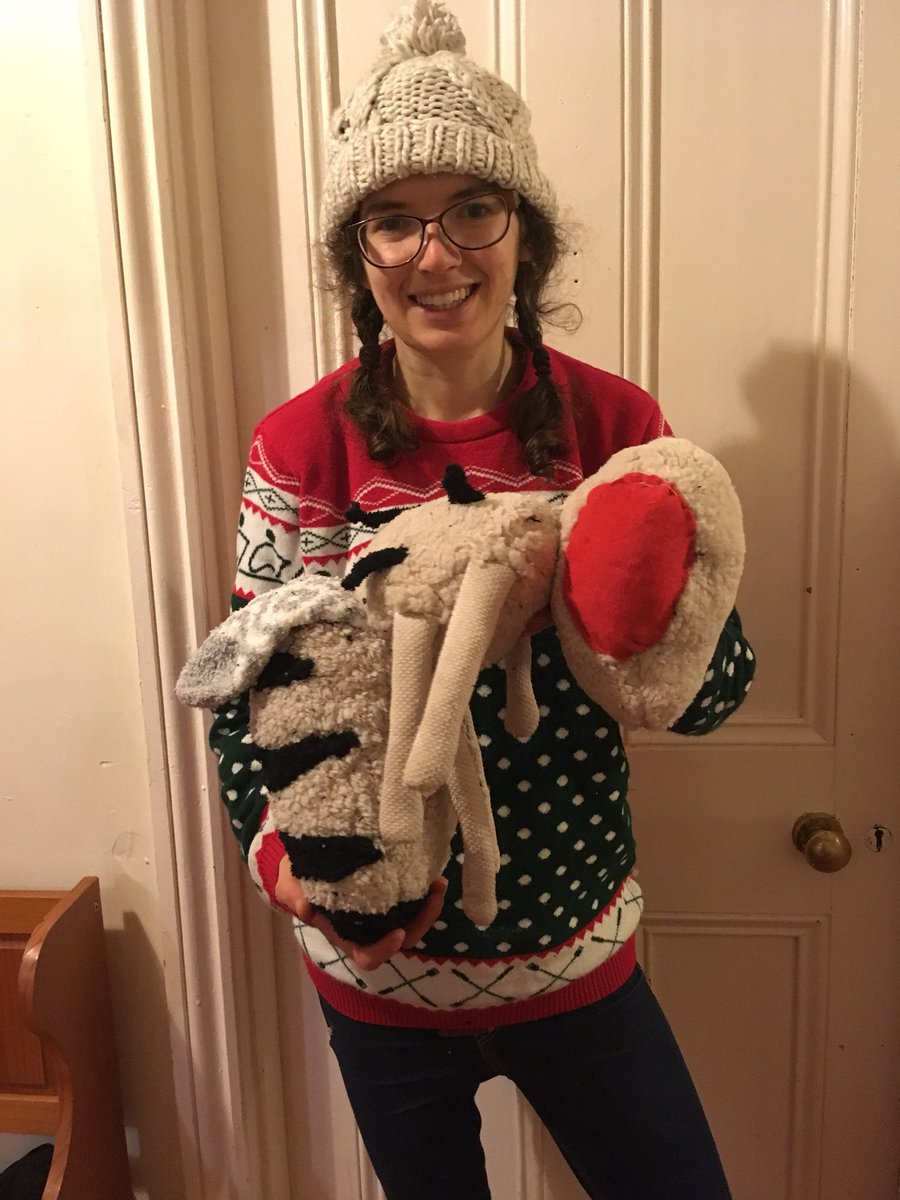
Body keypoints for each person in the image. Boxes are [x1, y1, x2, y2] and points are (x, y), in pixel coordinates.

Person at [208, 3, 755, 1197]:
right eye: (393, 220)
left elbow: (710, 689)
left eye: (472, 208)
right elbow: (247, 692)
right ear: (358, 255)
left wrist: (627, 594)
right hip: (375, 980)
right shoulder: (298, 446)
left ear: (525, 234)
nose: (435, 253)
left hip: (579, 961)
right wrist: (286, 861)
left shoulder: (617, 426)